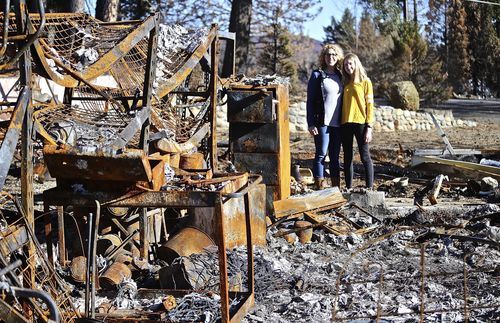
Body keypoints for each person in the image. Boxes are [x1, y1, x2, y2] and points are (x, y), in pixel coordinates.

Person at [306, 44, 344, 190]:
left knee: (335, 157)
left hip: (338, 123)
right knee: (321, 154)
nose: (331, 57)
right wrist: (310, 123)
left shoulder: (341, 76)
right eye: (328, 54)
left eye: (334, 54)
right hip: (322, 122)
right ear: (323, 57)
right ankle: (320, 186)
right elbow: (310, 101)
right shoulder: (317, 75)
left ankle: (336, 188)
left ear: (338, 57)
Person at [340, 53, 375, 190]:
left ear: (356, 64)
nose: (348, 67)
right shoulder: (344, 82)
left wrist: (369, 127)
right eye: (346, 64)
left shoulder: (365, 81)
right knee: (347, 157)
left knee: (365, 157)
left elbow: (370, 105)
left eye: (350, 64)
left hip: (360, 123)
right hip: (345, 123)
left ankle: (369, 188)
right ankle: (348, 187)